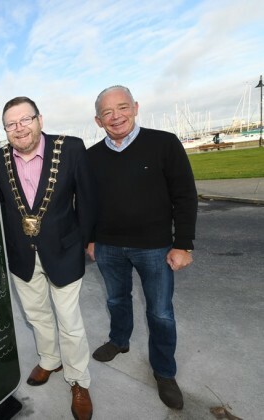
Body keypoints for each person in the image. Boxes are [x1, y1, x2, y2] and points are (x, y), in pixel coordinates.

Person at [87, 85, 198, 410]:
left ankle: (164, 372)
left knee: (160, 312)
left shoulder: (164, 143)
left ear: (135, 107)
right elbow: (87, 203)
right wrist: (91, 240)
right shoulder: (91, 157)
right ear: (98, 120)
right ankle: (120, 340)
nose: (116, 116)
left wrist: (183, 244)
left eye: (122, 107)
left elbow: (185, 195)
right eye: (107, 112)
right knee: (115, 299)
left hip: (155, 247)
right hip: (108, 248)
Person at [0, 97, 96, 420]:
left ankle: (78, 380)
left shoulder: (72, 148)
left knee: (69, 321)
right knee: (36, 316)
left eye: (26, 119)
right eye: (11, 123)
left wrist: (88, 241)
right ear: (5, 130)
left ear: (40, 120)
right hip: (22, 256)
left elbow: (88, 199)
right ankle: (50, 359)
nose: (19, 128)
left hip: (64, 250)